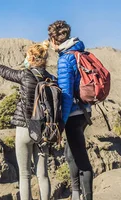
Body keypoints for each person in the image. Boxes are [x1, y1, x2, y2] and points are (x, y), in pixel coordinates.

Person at [0, 44, 53, 200]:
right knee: (43, 175)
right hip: (44, 132)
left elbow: (6, 72)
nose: (25, 59)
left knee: (25, 174)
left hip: (25, 129)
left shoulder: (26, 75)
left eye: (27, 56)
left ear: (32, 58)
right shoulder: (51, 78)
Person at [47, 20, 94, 200]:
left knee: (82, 160)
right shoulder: (78, 51)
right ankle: (76, 194)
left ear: (54, 40)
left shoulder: (66, 58)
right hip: (84, 111)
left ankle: (85, 197)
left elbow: (66, 95)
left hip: (73, 114)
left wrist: (61, 122)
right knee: (70, 153)